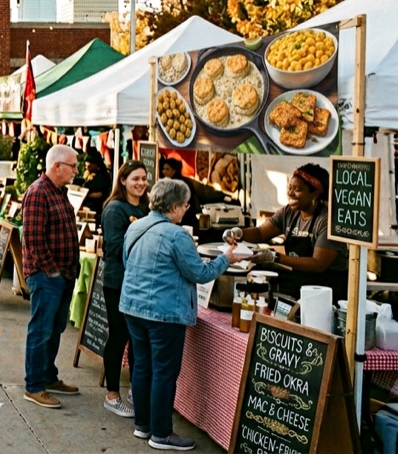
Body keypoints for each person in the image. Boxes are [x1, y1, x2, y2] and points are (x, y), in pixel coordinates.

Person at [121, 178, 255, 450]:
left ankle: (142, 425)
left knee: (143, 367)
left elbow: (128, 262)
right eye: (184, 205)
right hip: (163, 313)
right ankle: (161, 434)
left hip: (132, 306)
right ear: (173, 206)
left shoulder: (136, 226)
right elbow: (200, 273)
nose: (186, 210)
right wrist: (226, 259)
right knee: (164, 372)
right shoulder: (176, 234)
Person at [222, 163, 347, 300]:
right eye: (289, 188)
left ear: (315, 193)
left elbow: (318, 264)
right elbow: (261, 233)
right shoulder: (289, 212)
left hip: (328, 293)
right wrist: (239, 233)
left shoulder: (328, 221)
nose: (290, 193)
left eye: (297, 189)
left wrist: (275, 257)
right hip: (300, 286)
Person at [21, 144, 82, 409]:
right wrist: (53, 271)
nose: (76, 171)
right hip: (47, 277)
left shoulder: (58, 191)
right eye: (73, 166)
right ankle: (34, 385)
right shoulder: (38, 192)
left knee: (55, 328)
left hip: (62, 275)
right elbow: (34, 240)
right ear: (57, 166)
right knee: (41, 330)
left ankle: (48, 375)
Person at [99, 161, 149, 418]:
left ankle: (133, 390)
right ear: (123, 181)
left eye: (143, 178)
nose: (140, 183)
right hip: (118, 282)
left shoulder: (144, 207)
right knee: (118, 336)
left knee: (135, 337)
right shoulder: (115, 209)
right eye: (135, 179)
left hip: (139, 283)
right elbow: (114, 248)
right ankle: (112, 395)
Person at [158, 158, 200, 229]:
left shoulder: (181, 184)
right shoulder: (167, 183)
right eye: (163, 169)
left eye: (167, 169)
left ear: (174, 171)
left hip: (186, 219)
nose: (164, 171)